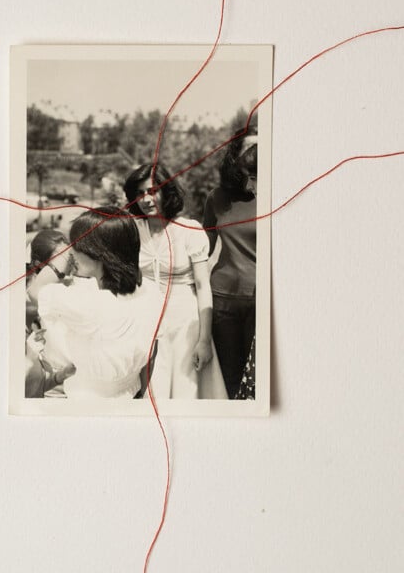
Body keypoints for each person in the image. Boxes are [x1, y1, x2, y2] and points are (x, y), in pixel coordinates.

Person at [26, 207, 162, 400]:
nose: (72, 252)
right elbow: (151, 355)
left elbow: (35, 291)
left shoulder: (89, 303)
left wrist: (59, 260)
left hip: (84, 403)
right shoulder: (151, 291)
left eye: (77, 246)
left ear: (98, 253)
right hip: (130, 396)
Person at [123, 162, 227, 400]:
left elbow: (203, 286)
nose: (146, 199)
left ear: (167, 191)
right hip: (145, 321)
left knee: (186, 391)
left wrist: (204, 340)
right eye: (139, 193)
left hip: (184, 325)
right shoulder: (131, 230)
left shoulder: (189, 230)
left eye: (152, 191)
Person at [203, 130, 257, 398]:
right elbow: (203, 250)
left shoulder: (273, 194)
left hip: (261, 300)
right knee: (228, 380)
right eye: (249, 149)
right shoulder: (217, 198)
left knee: (258, 382)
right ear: (235, 156)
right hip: (223, 299)